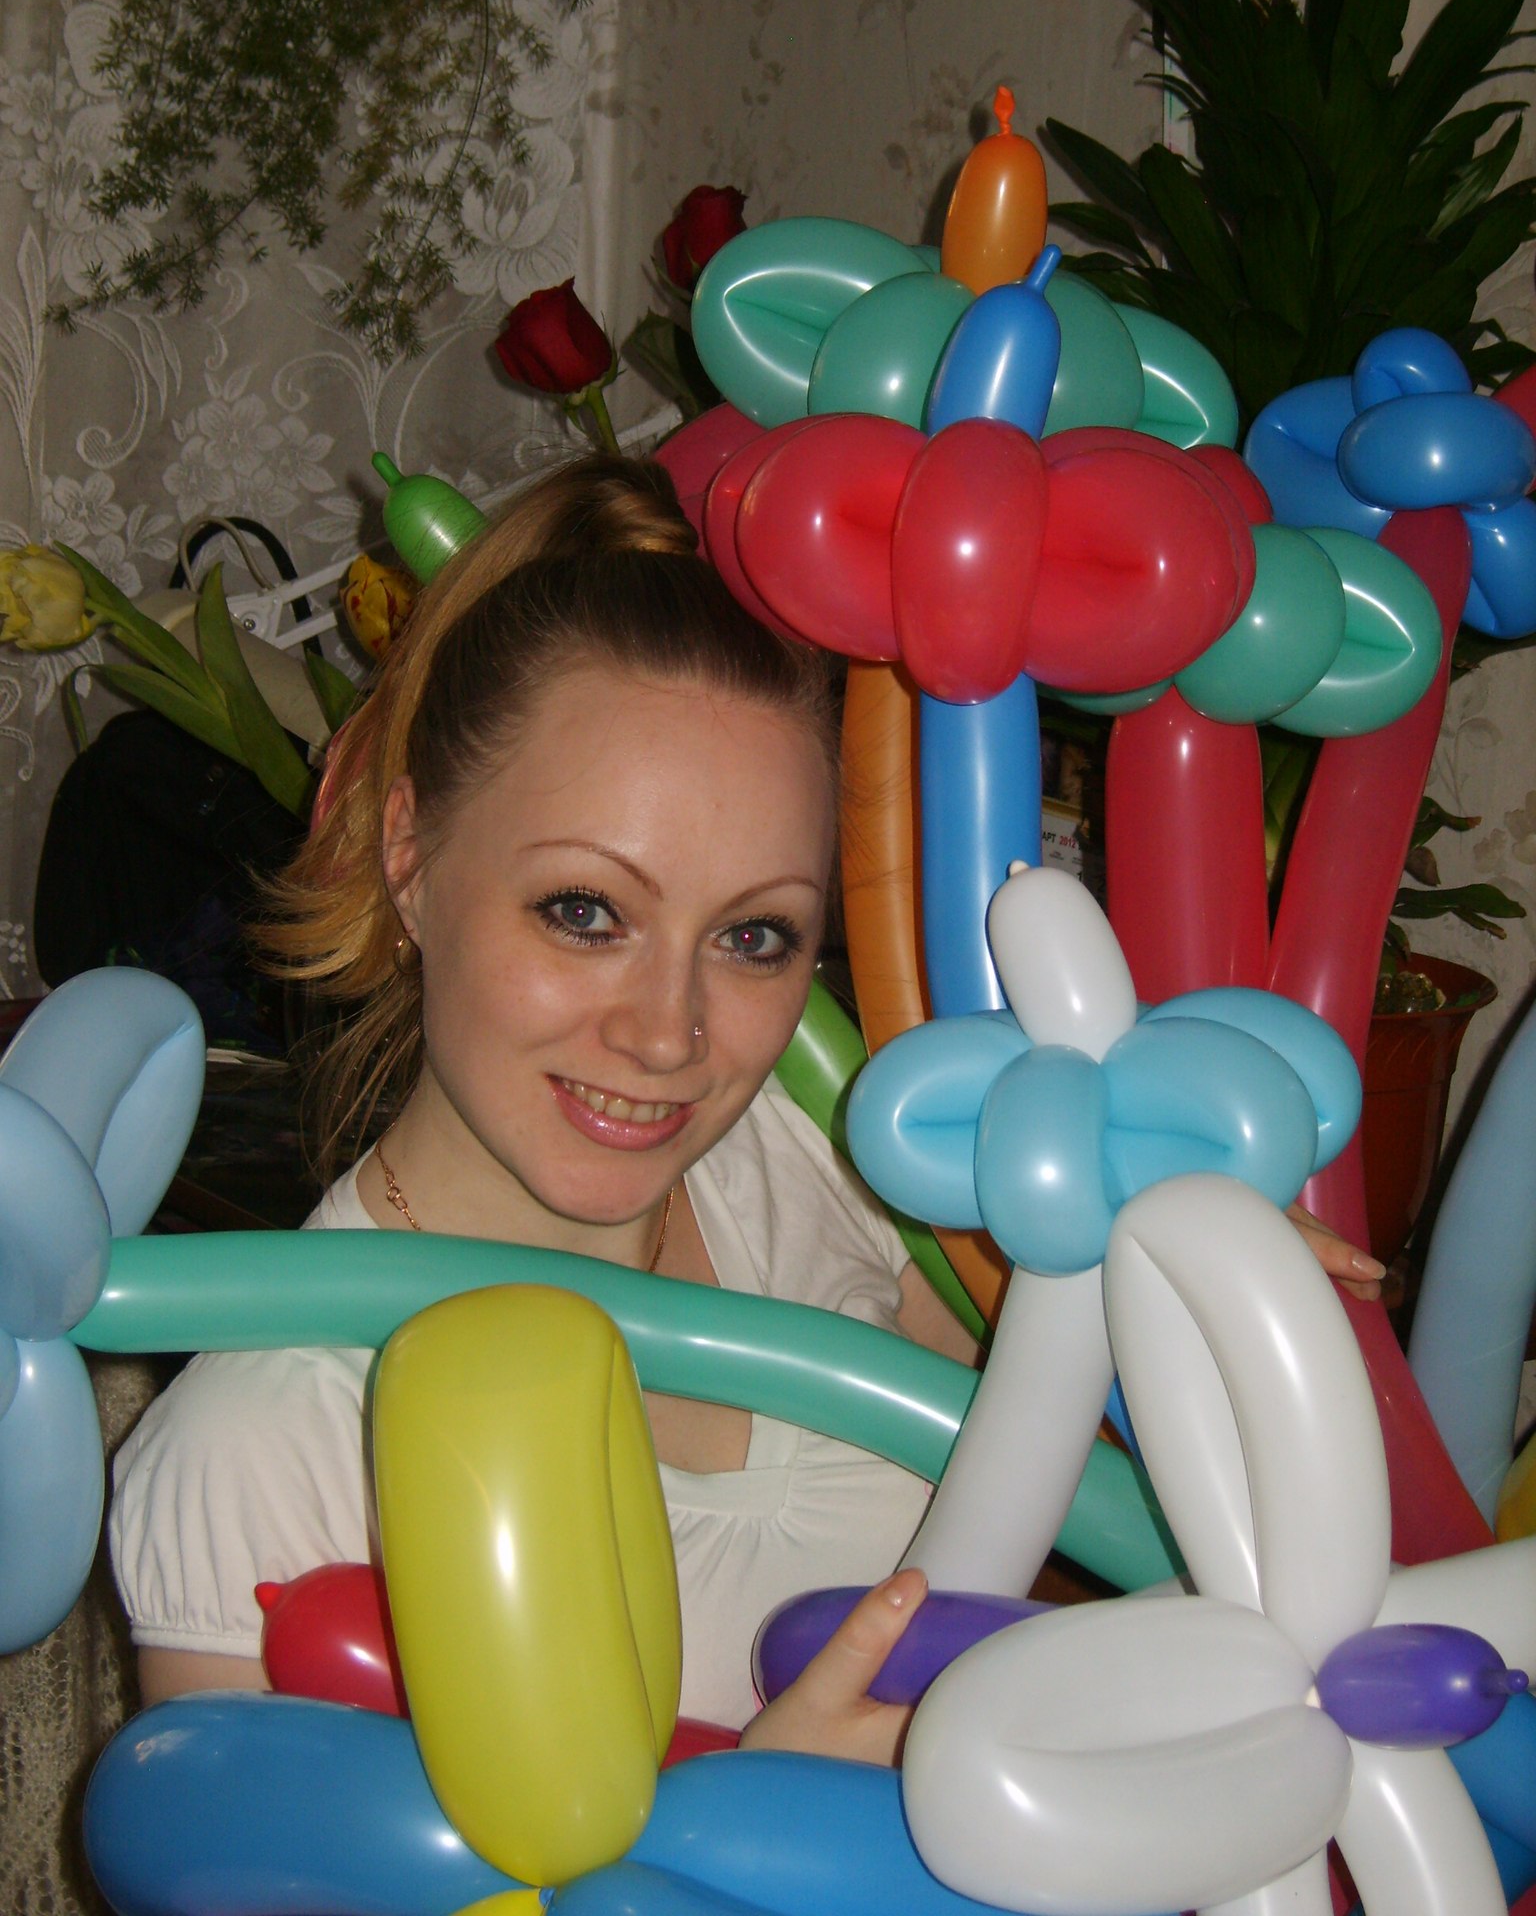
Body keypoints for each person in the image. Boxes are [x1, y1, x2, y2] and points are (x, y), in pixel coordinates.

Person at [109, 454, 1384, 1765]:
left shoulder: (830, 1155)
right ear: (410, 857)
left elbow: (1094, 1487)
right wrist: (764, 1812)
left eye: (754, 937)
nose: (668, 1033)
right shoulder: (264, 1446)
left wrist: (1183, 1286)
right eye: (585, 912)